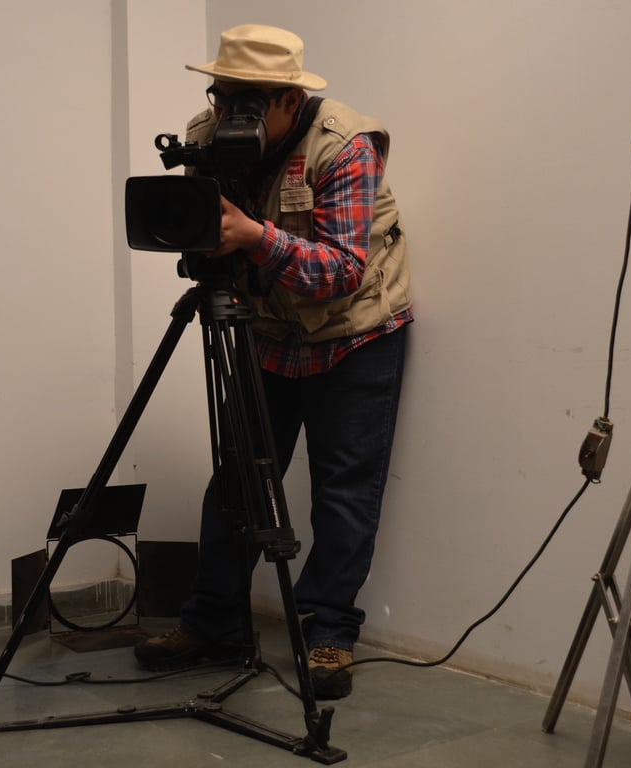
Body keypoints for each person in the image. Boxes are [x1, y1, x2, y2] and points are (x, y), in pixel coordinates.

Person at [135, 24, 413, 700]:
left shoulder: (345, 146)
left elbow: (341, 271)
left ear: (290, 98)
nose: (232, 113)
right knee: (237, 478)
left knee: (343, 490)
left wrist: (254, 236)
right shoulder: (208, 136)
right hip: (265, 330)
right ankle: (215, 621)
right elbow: (204, 234)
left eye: (250, 100)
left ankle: (329, 634)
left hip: (354, 333)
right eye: (224, 95)